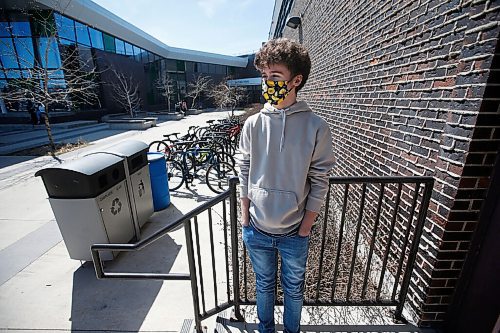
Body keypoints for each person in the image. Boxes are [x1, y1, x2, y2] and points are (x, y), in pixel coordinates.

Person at [237, 38, 335, 333]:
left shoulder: (316, 126)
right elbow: (243, 170)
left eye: (275, 77)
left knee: (294, 290)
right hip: (257, 229)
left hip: (294, 233)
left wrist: (305, 228)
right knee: (263, 287)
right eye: (265, 77)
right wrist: (245, 220)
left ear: (296, 80)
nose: (268, 83)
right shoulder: (253, 124)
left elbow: (320, 179)